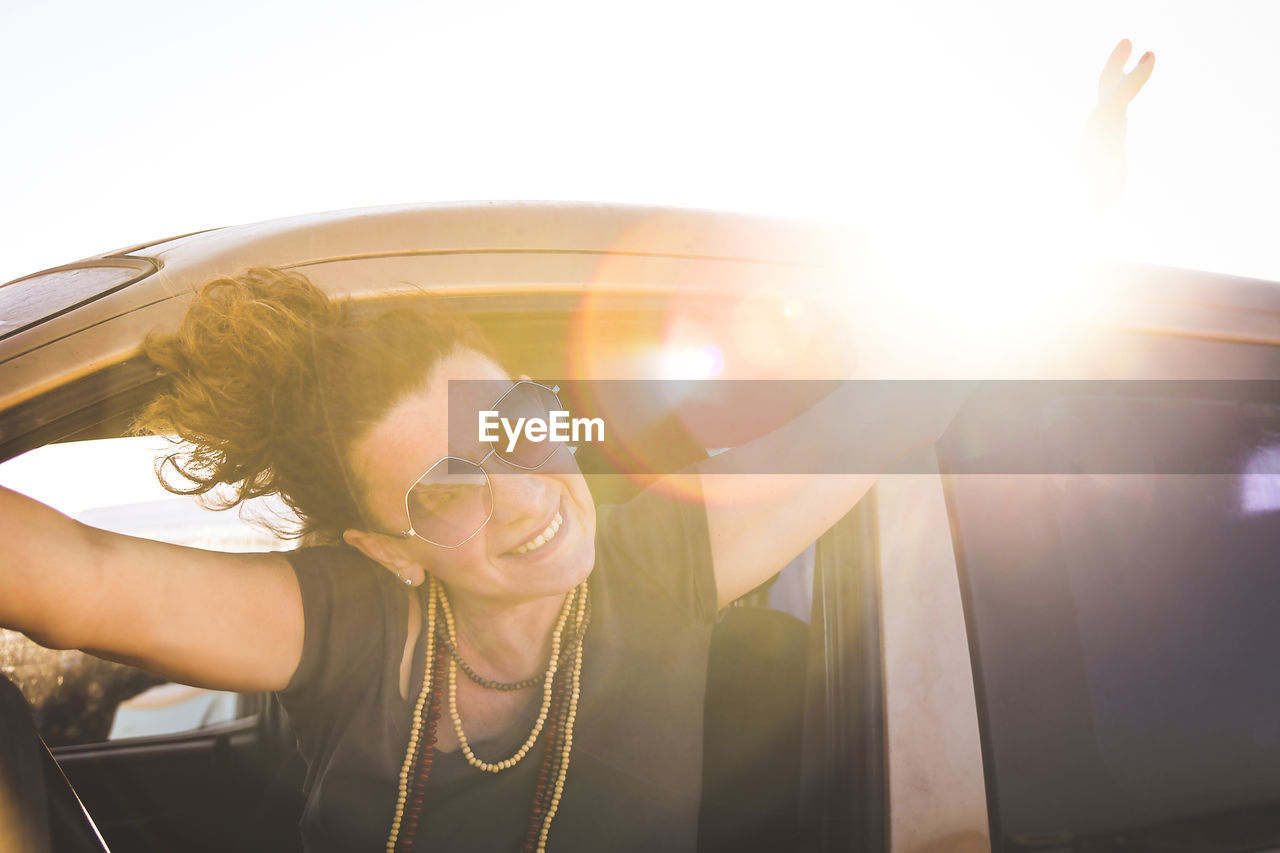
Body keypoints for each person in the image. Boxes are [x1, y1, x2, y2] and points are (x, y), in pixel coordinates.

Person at [0, 41, 1153, 853]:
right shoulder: (348, 617)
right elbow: (69, 578)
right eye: (450, 484)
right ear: (386, 546)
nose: (523, 497)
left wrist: (1068, 213)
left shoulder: (665, 563)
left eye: (507, 425)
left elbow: (901, 395)